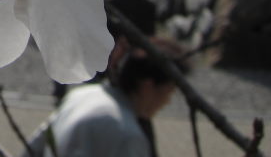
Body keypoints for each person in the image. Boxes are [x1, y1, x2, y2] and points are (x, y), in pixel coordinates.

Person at [27, 39, 187, 157]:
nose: (167, 102)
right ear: (148, 86)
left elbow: (34, 146)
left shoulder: (81, 95)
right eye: (168, 92)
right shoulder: (128, 135)